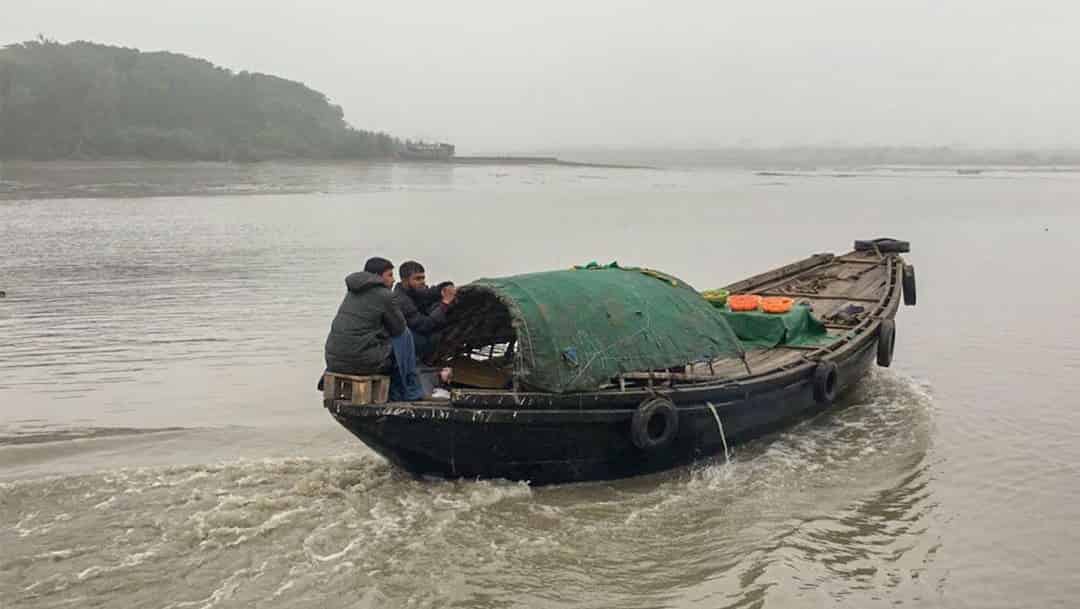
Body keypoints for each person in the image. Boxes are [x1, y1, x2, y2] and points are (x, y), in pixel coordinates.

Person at [323, 257, 423, 400]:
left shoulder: (352, 292)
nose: (393, 280)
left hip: (332, 361)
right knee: (405, 336)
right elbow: (399, 329)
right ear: (377, 276)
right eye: (389, 275)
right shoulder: (385, 295)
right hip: (362, 363)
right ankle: (409, 390)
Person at [393, 260, 456, 363]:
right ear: (404, 280)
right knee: (437, 335)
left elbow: (429, 293)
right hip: (412, 341)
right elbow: (424, 325)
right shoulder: (401, 300)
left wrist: (446, 287)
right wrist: (445, 304)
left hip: (415, 336)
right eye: (418, 278)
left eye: (423, 278)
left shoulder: (413, 291)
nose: (422, 281)